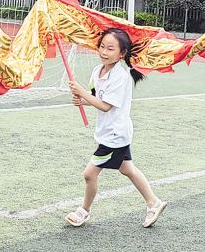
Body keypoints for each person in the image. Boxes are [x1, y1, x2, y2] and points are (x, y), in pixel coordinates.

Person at [66, 27, 167, 228]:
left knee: (89, 174)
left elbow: (105, 106)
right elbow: (99, 99)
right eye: (102, 46)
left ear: (122, 54)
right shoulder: (98, 71)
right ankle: (153, 202)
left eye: (110, 49)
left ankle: (84, 211)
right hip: (111, 131)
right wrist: (83, 100)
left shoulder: (120, 76)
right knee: (127, 169)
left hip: (114, 134)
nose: (104, 52)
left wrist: (82, 93)